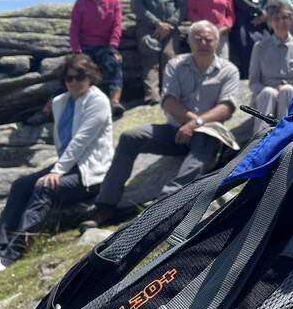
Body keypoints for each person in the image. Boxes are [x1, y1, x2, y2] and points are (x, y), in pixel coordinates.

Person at [0, 54, 113, 275]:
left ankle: (12, 253)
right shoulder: (60, 102)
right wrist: (59, 168)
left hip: (90, 171)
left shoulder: (98, 101)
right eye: (69, 78)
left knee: (45, 187)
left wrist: (57, 171)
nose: (74, 82)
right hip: (69, 165)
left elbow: (80, 141)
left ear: (90, 76)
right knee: (20, 185)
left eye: (79, 76)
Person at [82, 21, 240, 228]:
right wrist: (191, 122)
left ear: (216, 42)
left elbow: (227, 107)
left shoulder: (228, 70)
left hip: (209, 132)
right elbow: (168, 101)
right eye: (198, 39)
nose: (203, 43)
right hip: (176, 131)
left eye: (208, 39)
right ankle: (105, 206)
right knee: (130, 137)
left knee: (203, 142)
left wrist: (197, 124)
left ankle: (163, 205)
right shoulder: (176, 64)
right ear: (189, 41)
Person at [130, 0, 186, 105]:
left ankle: (170, 95)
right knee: (150, 56)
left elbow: (182, 6)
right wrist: (157, 23)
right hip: (147, 26)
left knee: (170, 57)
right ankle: (152, 97)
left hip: (170, 28)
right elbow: (137, 5)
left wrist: (169, 24)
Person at [69, 0, 125, 117]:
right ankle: (52, 108)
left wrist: (113, 47)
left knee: (114, 62)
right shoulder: (81, 4)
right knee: (76, 71)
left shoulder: (113, 2)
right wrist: (77, 51)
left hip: (105, 47)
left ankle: (114, 101)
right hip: (85, 48)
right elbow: (74, 29)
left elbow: (117, 26)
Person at [248, 0, 293, 133]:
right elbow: (253, 83)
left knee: (287, 90)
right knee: (268, 92)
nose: (281, 22)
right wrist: (271, 90)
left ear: (291, 19)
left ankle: (286, 135)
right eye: (276, 19)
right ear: (270, 22)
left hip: (289, 97)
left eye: (285, 17)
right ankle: (260, 137)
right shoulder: (259, 47)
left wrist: (285, 90)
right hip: (266, 99)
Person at [230, 0, 275, 78]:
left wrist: (264, 14)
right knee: (246, 48)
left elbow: (270, 0)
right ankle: (247, 78)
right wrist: (259, 11)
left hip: (263, 22)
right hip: (244, 21)